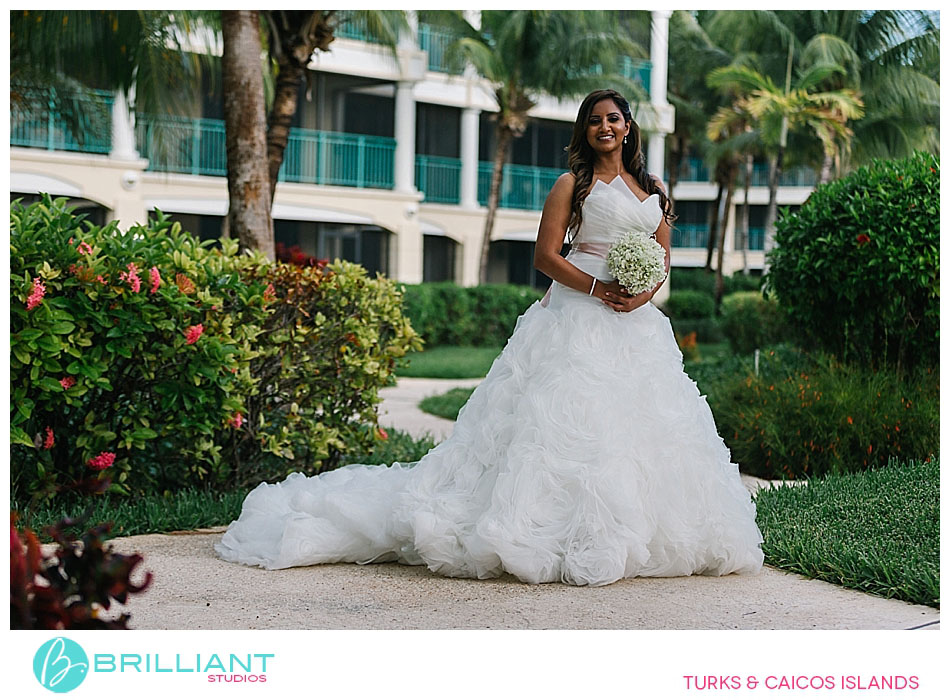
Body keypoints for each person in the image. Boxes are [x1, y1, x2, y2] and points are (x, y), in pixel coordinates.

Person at [216, 89, 764, 587]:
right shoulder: (572, 184)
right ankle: (544, 527)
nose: (604, 127)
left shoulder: (653, 189)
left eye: (613, 119)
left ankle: (639, 527)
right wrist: (600, 288)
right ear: (585, 130)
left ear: (628, 128)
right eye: (594, 120)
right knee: (562, 426)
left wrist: (641, 295)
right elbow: (546, 257)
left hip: (636, 321)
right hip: (578, 311)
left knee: (641, 428)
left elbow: (662, 257)